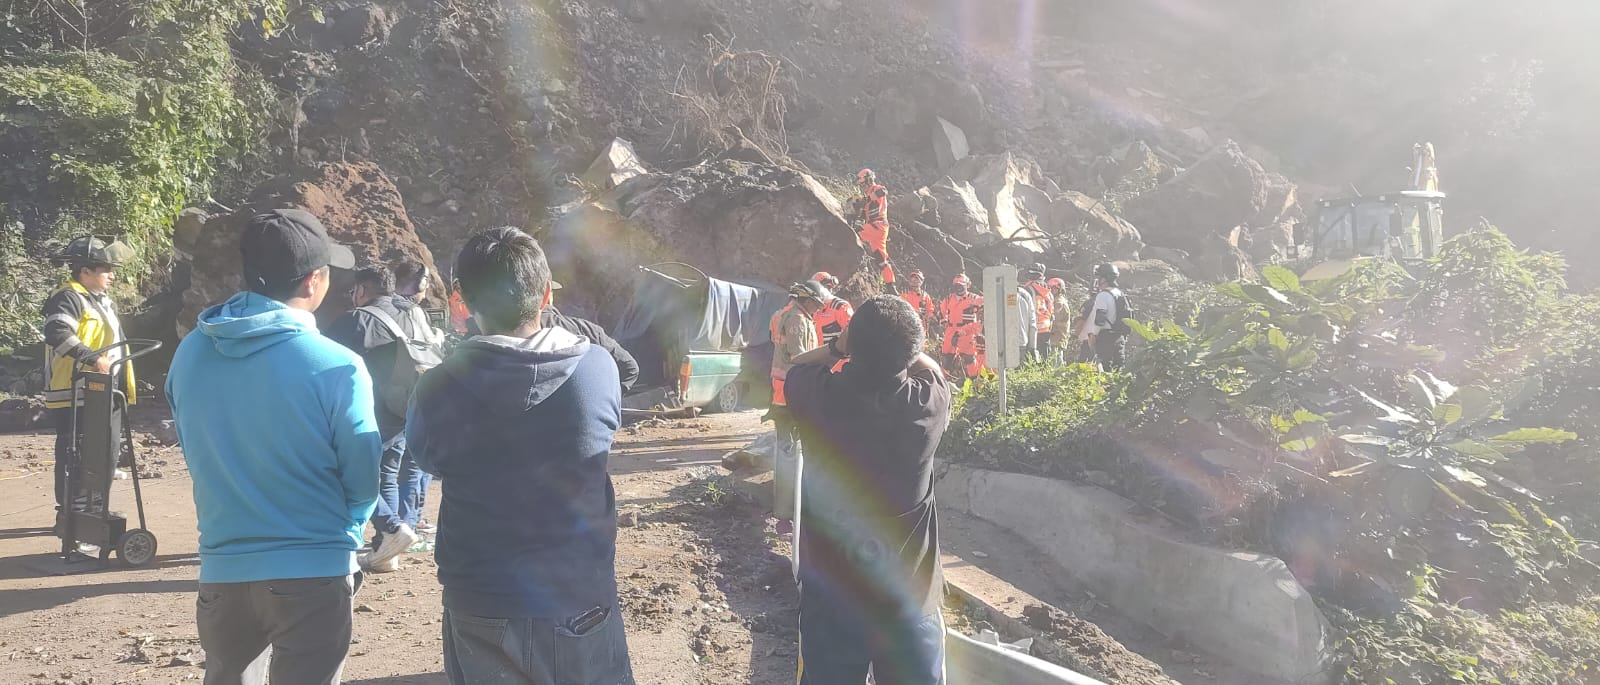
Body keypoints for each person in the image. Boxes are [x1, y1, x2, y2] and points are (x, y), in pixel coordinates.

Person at [407, 227, 634, 685]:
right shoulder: (597, 368)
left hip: (480, 599)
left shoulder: (436, 388)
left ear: (461, 299)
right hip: (577, 594)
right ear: (547, 293)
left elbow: (429, 461)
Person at [166, 208, 377, 685]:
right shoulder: (337, 365)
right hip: (312, 567)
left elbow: (194, 448)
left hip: (221, 568)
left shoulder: (190, 352)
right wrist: (346, 531)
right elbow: (363, 477)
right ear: (314, 280)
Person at [783, 295, 953, 685]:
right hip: (910, 603)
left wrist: (837, 346)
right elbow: (933, 368)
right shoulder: (928, 403)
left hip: (832, 604)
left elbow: (797, 364)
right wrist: (905, 346)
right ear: (911, 350)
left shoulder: (816, 396)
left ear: (850, 342)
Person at [324, 265, 433, 572]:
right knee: (388, 474)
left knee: (344, 469)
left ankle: (392, 528)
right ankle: (386, 550)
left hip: (370, 410)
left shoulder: (356, 320)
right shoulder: (412, 312)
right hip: (407, 407)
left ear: (361, 290)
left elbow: (323, 360)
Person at [41, 236, 136, 512]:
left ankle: (95, 509)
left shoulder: (101, 301)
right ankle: (73, 513)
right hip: (76, 391)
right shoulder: (68, 297)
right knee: (78, 452)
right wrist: (94, 359)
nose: (112, 275)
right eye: (106, 270)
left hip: (104, 389)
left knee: (105, 450)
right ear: (85, 271)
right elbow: (57, 333)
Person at [769, 279, 828, 536]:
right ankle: (785, 518)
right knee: (789, 458)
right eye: (816, 303)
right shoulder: (797, 320)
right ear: (807, 300)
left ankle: (792, 514)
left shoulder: (794, 315)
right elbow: (799, 357)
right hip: (788, 398)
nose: (818, 308)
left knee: (792, 456)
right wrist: (828, 358)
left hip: (789, 395)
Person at [851, 169, 895, 289]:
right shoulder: (867, 198)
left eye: (863, 184)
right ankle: (891, 286)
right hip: (878, 228)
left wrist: (865, 200)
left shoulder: (877, 189)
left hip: (878, 225)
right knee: (881, 259)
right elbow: (863, 216)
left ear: (869, 180)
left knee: (852, 234)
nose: (862, 187)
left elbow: (883, 191)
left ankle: (858, 263)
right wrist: (857, 207)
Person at [1082, 262, 1128, 370]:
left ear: (1104, 279)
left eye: (1099, 277)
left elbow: (1100, 319)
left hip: (1105, 338)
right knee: (1118, 369)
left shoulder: (1103, 295)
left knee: (1104, 370)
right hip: (1119, 337)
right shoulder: (1120, 293)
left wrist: (1093, 336)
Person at [938, 274, 982, 378]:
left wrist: (969, 330)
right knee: (947, 357)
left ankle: (974, 380)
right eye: (956, 285)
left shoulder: (975, 299)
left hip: (967, 332)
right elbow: (941, 311)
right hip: (951, 330)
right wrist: (943, 321)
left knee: (969, 358)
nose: (959, 287)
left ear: (968, 285)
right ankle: (945, 380)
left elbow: (982, 318)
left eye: (961, 285)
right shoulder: (948, 299)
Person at [810, 271, 855, 347]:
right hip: (817, 353)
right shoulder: (813, 310)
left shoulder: (840, 306)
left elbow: (853, 333)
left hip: (838, 354)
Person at [1021, 263, 1054, 362]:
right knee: (1044, 359)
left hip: (1032, 329)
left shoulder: (1027, 290)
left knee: (1030, 360)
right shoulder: (1047, 290)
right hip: (1046, 329)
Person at [898, 269, 937, 334]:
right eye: (912, 278)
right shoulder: (904, 294)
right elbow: (900, 308)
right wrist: (916, 312)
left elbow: (930, 310)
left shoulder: (925, 296)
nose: (914, 280)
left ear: (922, 281)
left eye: (917, 278)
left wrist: (929, 316)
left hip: (920, 328)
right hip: (907, 327)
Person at [1047, 277, 1072, 364]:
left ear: (1060, 290)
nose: (1051, 290)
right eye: (1050, 288)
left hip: (1057, 337)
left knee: (1055, 362)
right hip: (1056, 337)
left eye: (1054, 288)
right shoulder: (1055, 300)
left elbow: (1054, 319)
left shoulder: (1058, 302)